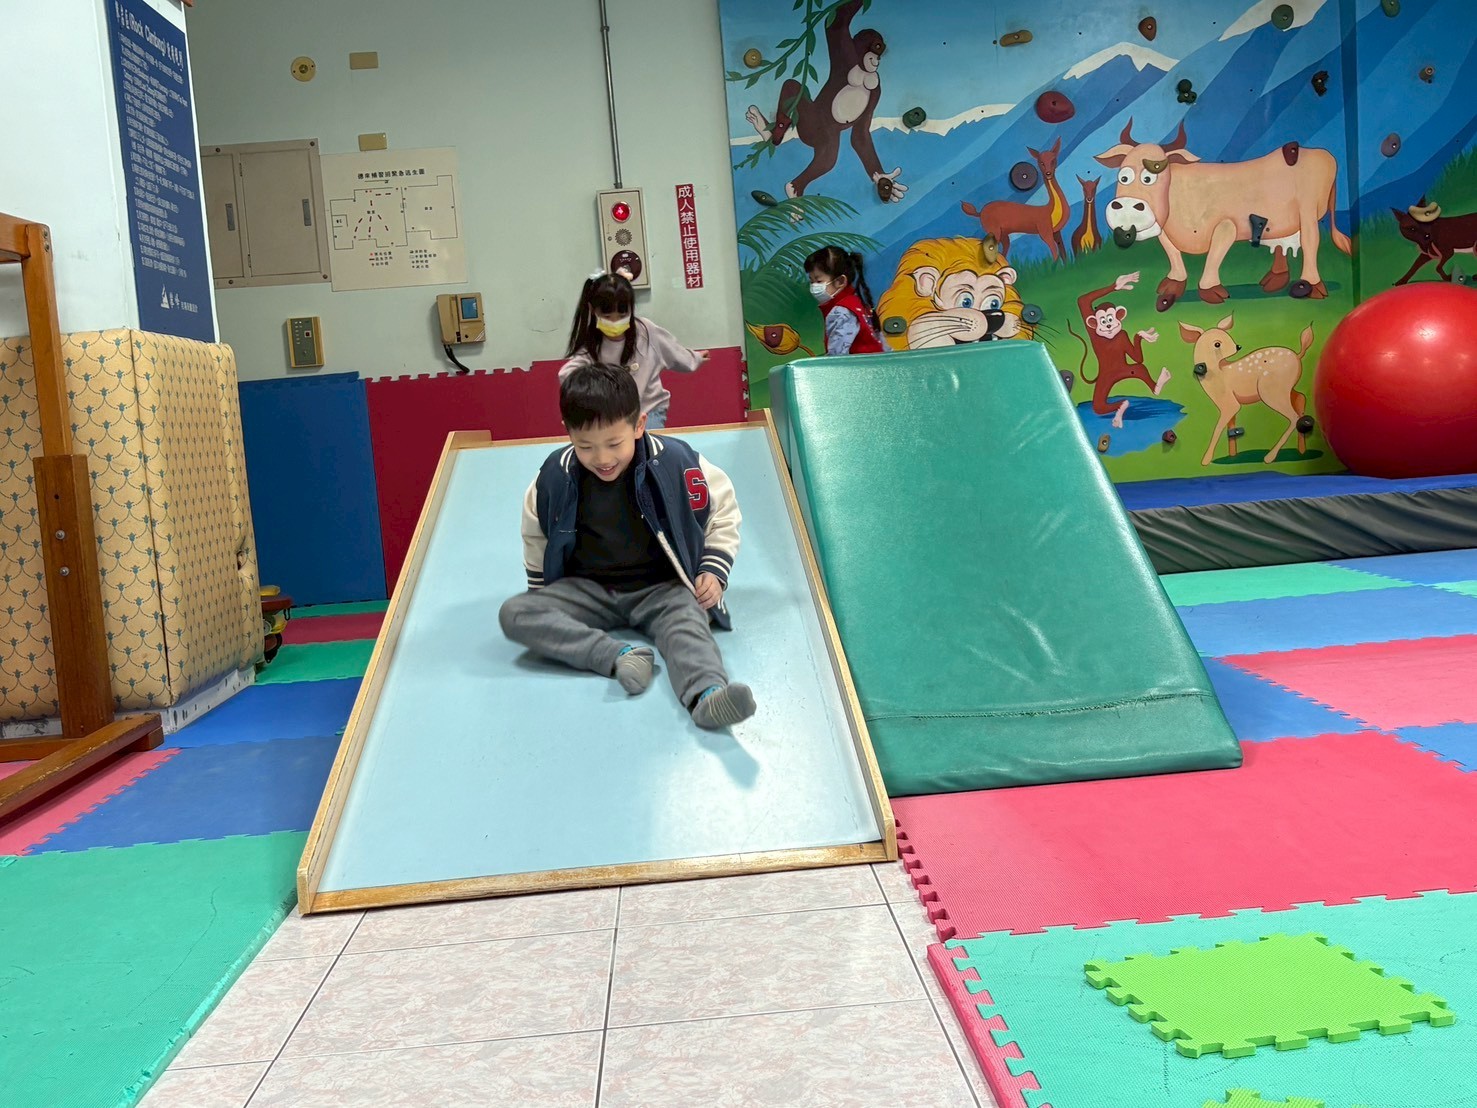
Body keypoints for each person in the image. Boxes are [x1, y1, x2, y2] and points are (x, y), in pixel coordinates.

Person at [499, 363, 756, 730]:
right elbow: (535, 533)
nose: (602, 459)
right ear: (568, 432)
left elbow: (723, 511)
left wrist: (713, 570)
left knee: (688, 624)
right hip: (589, 590)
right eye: (585, 446)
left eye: (614, 444)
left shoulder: (677, 461)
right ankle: (620, 656)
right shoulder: (555, 475)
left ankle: (707, 696)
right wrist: (544, 600)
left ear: (639, 425)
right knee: (515, 613)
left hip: (661, 588)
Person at [559, 270, 707, 430]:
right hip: (613, 416)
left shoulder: (646, 331)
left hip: (649, 410)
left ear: (631, 309)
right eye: (607, 316)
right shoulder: (591, 344)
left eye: (622, 315)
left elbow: (674, 352)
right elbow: (567, 375)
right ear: (592, 310)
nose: (615, 321)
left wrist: (696, 358)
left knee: (645, 443)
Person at [805, 246, 884, 355]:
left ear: (840, 281)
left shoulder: (841, 311)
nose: (814, 286)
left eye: (818, 281)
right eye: (811, 281)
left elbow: (837, 357)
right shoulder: (857, 303)